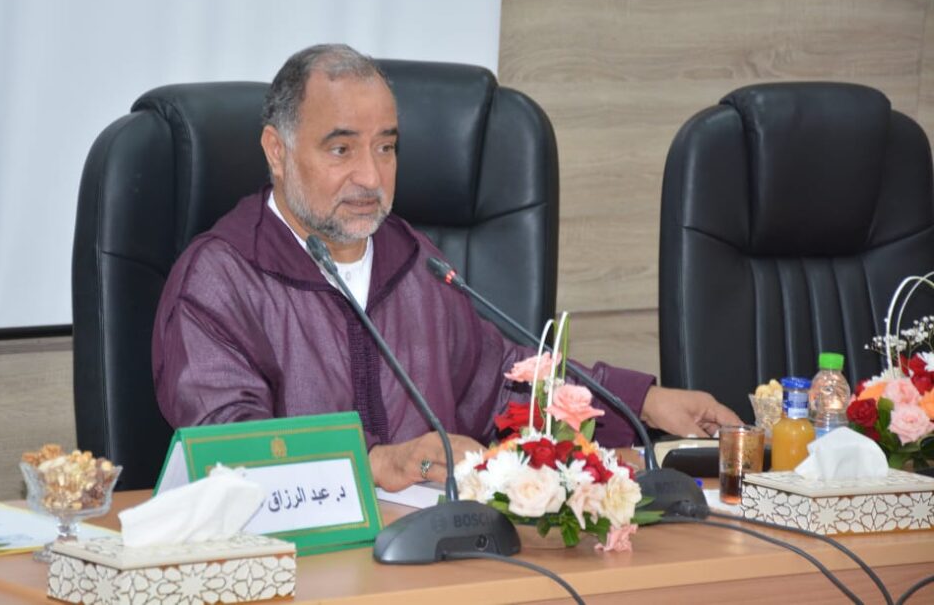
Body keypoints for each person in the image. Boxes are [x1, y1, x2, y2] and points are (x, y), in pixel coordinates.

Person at [152, 44, 741, 492]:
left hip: (432, 558)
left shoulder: (414, 261)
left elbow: (503, 380)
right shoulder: (219, 279)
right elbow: (229, 447)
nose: (370, 176)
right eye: (341, 149)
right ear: (276, 152)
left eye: (386, 147)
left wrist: (643, 402)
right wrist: (378, 461)